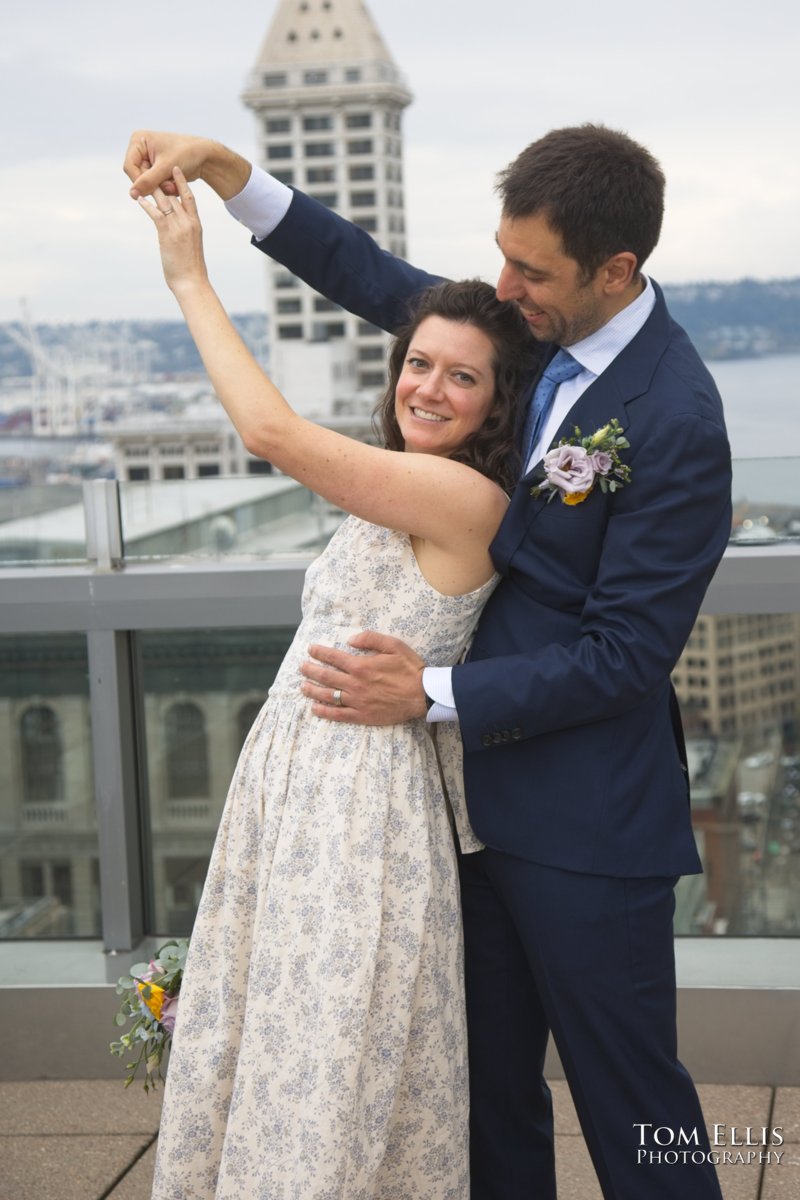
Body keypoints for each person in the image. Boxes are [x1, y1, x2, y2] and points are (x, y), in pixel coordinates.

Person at [124, 126, 732, 1199]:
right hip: (453, 820)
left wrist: (432, 692)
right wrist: (232, 180)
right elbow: (372, 277)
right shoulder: (534, 330)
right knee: (484, 1105)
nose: (504, 287)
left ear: (615, 272)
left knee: (636, 1115)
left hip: (587, 828)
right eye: (502, 257)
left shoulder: (675, 416)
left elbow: (627, 654)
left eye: (528, 270)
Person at [134, 167, 537, 1198]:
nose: (428, 389)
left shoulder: (462, 498)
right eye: (419, 364)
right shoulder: (400, 480)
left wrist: (189, 276)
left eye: (463, 377)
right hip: (295, 789)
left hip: (360, 812)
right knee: (273, 1045)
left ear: (498, 402)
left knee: (327, 1060)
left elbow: (269, 434)